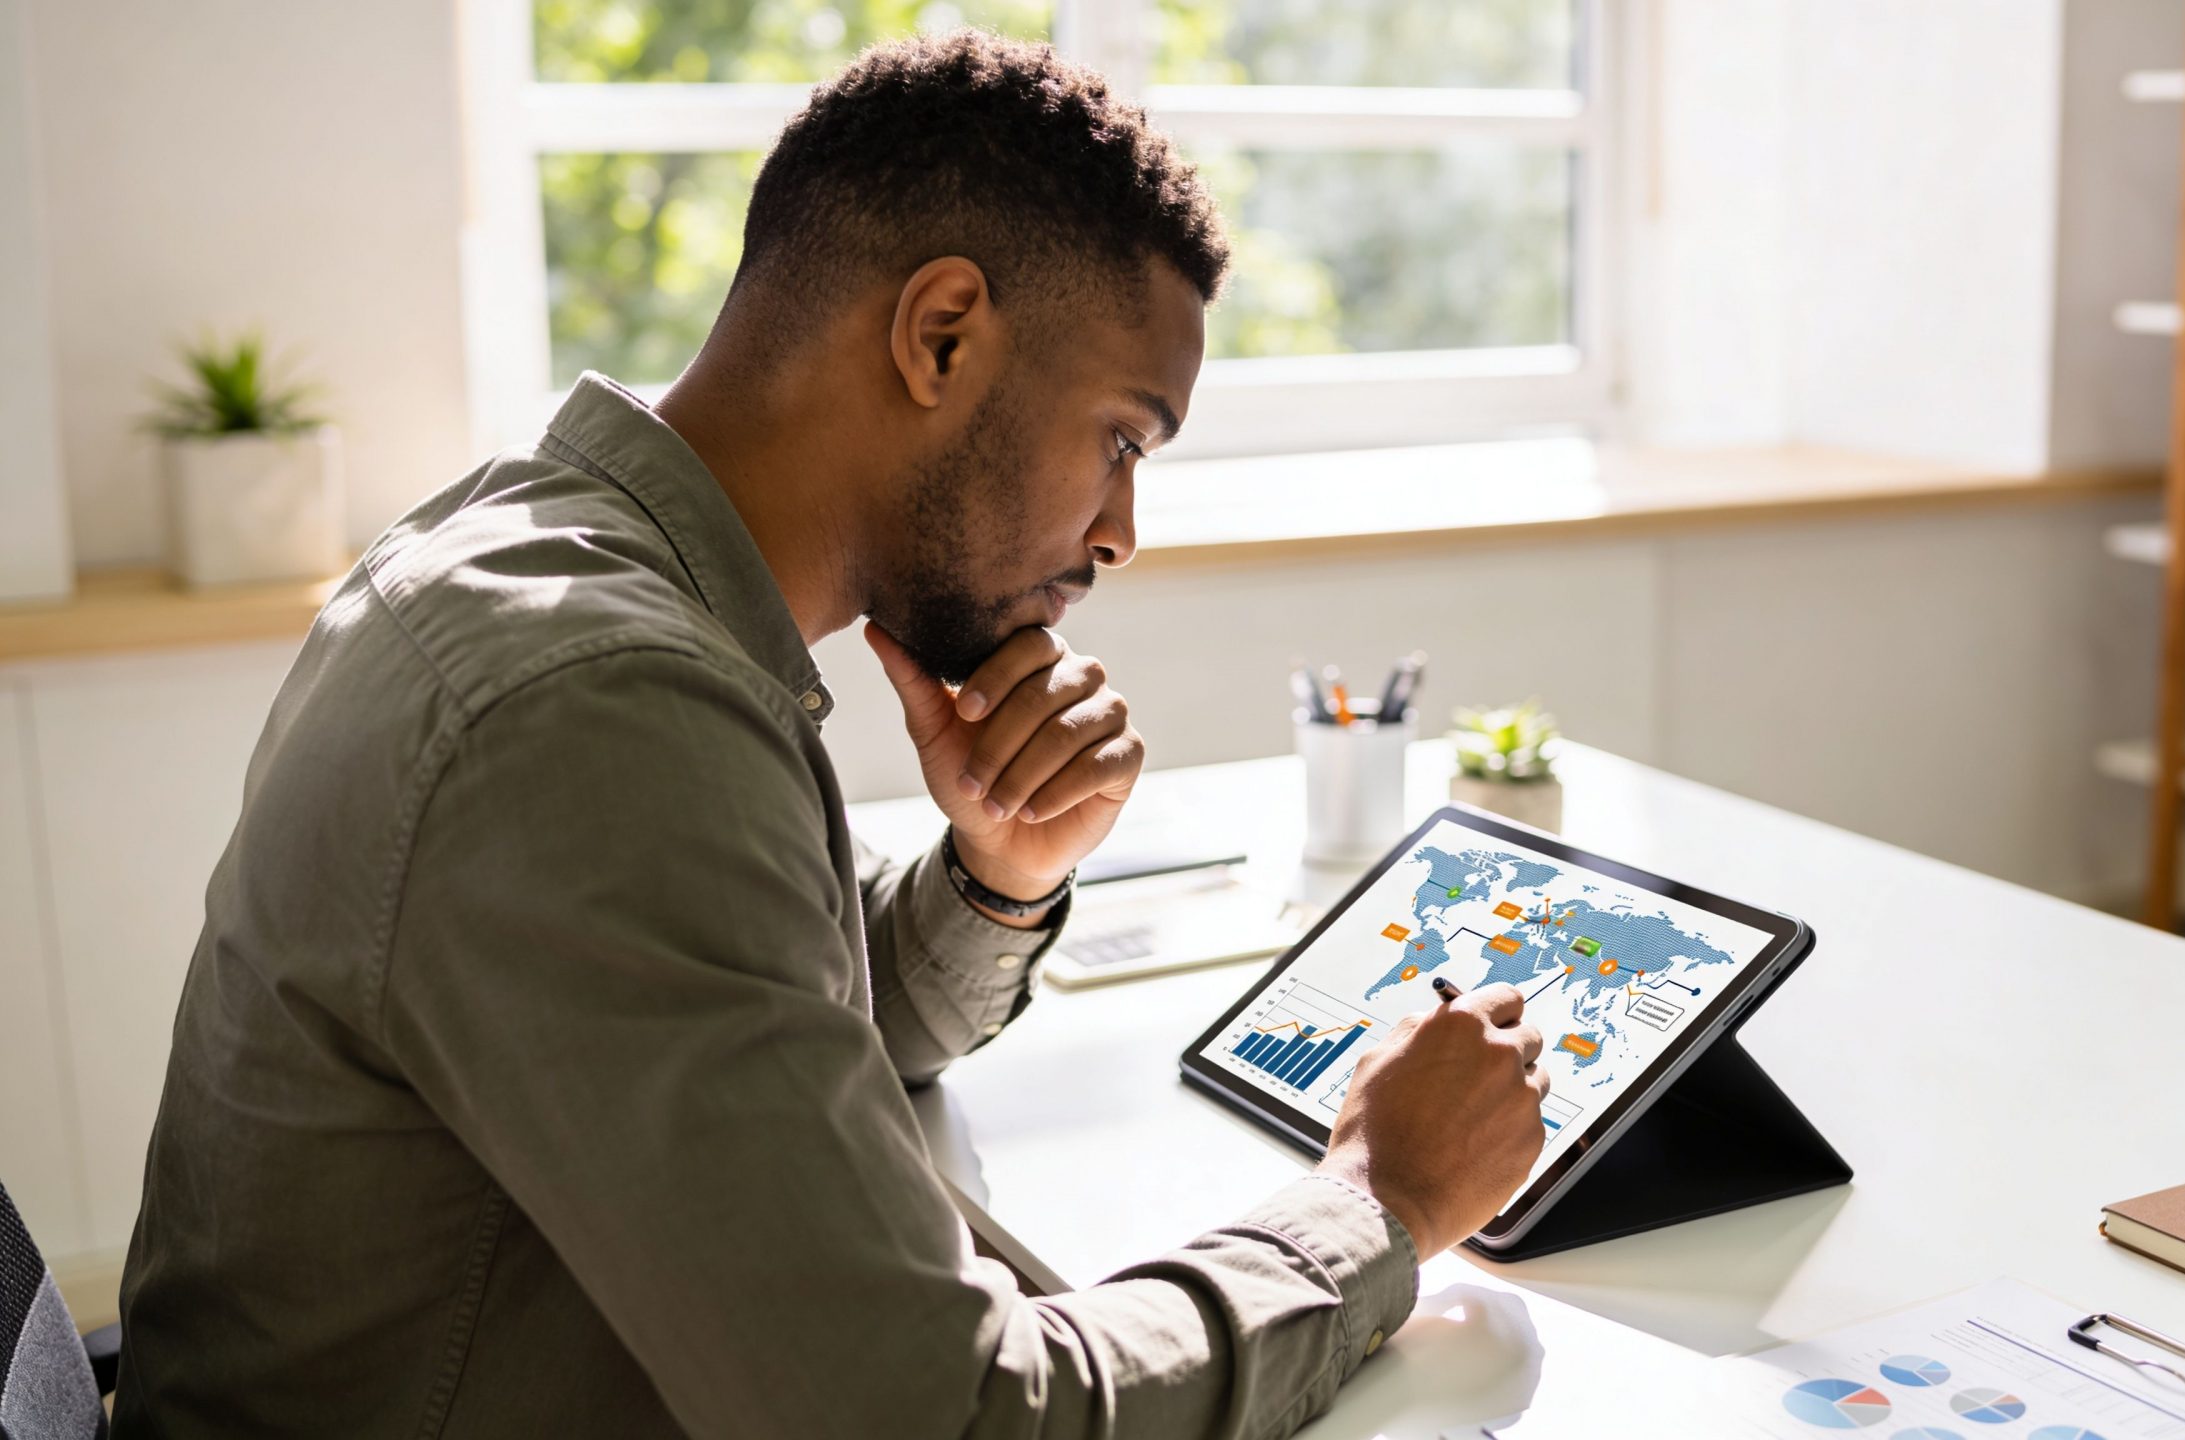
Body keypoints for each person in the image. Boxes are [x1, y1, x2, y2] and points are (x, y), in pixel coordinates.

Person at [112, 30, 1549, 1440]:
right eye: (1122, 437)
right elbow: (938, 1418)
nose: (1120, 531)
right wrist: (1376, 1199)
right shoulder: (595, 708)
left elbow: (782, 1004)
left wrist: (997, 873)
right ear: (941, 336)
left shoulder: (540, 556)